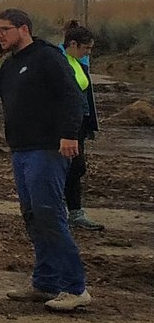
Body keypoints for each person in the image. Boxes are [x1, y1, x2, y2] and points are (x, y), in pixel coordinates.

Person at [0, 8, 88, 310]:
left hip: (47, 149)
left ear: (23, 28)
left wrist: (69, 134)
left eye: (4, 29)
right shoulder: (14, 63)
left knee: (50, 216)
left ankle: (75, 287)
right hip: (21, 149)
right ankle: (46, 282)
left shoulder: (47, 57)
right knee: (33, 217)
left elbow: (72, 97)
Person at [61, 22, 103, 231]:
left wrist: (89, 124)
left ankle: (74, 213)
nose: (88, 53)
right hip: (63, 127)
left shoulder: (79, 61)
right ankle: (62, 212)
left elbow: (85, 94)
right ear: (74, 44)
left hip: (79, 124)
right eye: (86, 48)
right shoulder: (58, 61)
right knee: (71, 167)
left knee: (76, 168)